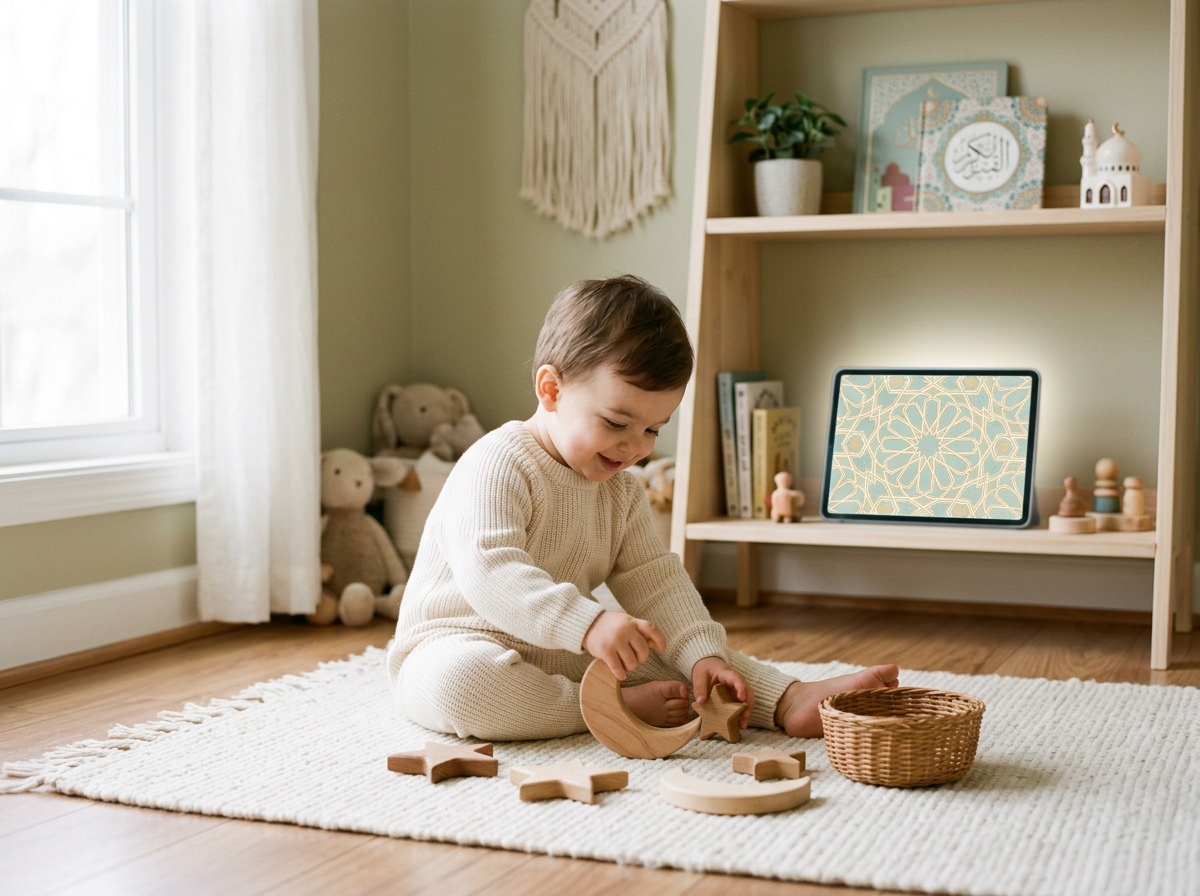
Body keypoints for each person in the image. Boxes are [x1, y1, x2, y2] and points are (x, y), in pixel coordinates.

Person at [387, 275, 898, 740]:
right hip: (456, 643)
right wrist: (589, 624)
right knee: (465, 687)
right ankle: (605, 707)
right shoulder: (497, 463)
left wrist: (701, 652)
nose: (634, 447)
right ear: (551, 389)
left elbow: (654, 580)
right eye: (615, 423)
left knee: (669, 656)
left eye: (653, 429)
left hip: (562, 647)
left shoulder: (621, 490)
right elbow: (490, 573)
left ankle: (787, 699)